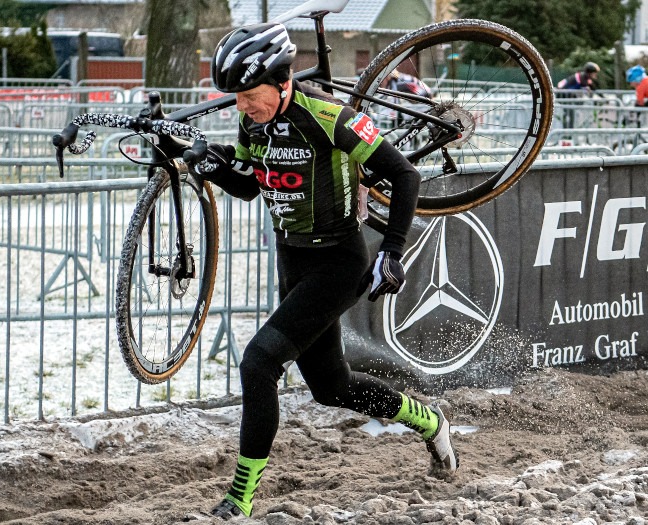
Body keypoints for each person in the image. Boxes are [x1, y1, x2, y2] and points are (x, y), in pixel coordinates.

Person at [190, 23, 459, 520]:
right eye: (236, 97)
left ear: (282, 81)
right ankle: (429, 422)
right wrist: (211, 166)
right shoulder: (253, 123)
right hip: (292, 259)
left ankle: (239, 501)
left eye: (250, 94)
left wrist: (393, 250)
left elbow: (404, 174)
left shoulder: (331, 117)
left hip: (339, 262)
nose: (243, 105)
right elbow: (250, 186)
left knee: (258, 364)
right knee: (331, 387)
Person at [556, 61, 600, 129]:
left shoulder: (585, 78)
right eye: (594, 73)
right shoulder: (582, 77)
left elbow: (593, 89)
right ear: (590, 73)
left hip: (569, 97)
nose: (595, 75)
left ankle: (569, 132)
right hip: (563, 96)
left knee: (573, 114)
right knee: (570, 115)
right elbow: (590, 87)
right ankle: (567, 135)